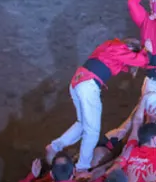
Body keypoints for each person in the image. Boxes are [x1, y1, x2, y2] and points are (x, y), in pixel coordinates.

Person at [48, 37, 150, 171]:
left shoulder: (110, 46)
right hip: (88, 84)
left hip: (77, 83)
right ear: (130, 49)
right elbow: (144, 61)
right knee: (92, 131)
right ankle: (82, 167)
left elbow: (126, 65)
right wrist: (147, 50)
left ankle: (55, 146)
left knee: (82, 123)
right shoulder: (120, 49)